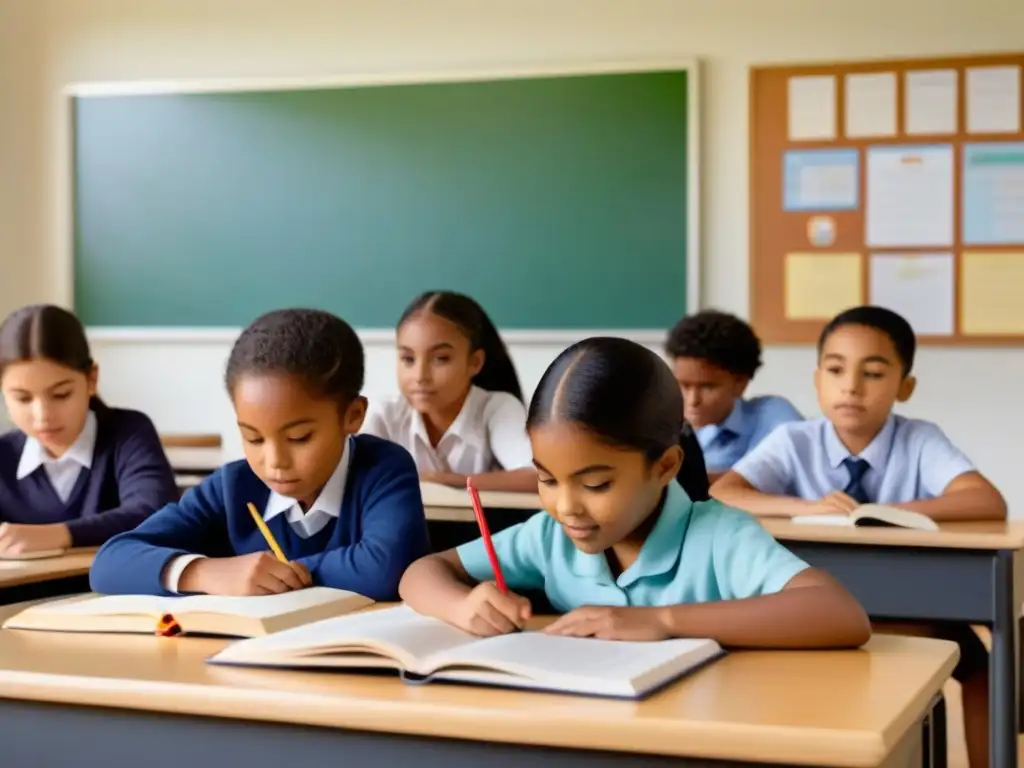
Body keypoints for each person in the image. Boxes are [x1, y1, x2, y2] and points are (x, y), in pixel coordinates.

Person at [398, 336, 869, 649]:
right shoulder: (548, 537)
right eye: (546, 478)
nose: (565, 506)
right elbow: (422, 572)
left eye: (596, 484)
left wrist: (664, 621)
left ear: (664, 466)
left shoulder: (718, 536)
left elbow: (841, 613)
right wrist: (461, 605)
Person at [712, 305, 1004, 768]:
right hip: (810, 615)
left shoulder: (919, 439)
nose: (850, 386)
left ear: (904, 387)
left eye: (873, 372)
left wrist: (883, 514)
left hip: (907, 605)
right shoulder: (794, 440)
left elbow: (985, 501)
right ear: (816, 379)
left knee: (983, 661)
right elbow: (725, 494)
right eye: (835, 369)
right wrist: (806, 507)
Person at [90, 308, 429, 598]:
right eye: (253, 439)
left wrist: (269, 575)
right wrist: (208, 573)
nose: (274, 462)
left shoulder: (383, 469)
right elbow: (109, 563)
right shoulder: (233, 486)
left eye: (299, 437)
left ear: (353, 416)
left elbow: (385, 568)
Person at [0, 304, 177, 554]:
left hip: (113, 591)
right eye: (23, 399)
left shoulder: (128, 433)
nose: (42, 417)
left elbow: (155, 511)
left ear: (91, 379)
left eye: (61, 395)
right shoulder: (4, 455)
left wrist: (59, 534)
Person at [363, 291, 536, 492]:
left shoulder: (496, 408)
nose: (420, 376)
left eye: (441, 358)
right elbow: (355, 479)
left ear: (474, 362)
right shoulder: (385, 414)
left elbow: (537, 477)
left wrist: (450, 481)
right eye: (408, 359)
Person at [666, 310, 801, 479]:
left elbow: (791, 477)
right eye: (683, 385)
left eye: (707, 387)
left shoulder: (774, 417)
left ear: (740, 383)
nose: (692, 400)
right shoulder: (667, 424)